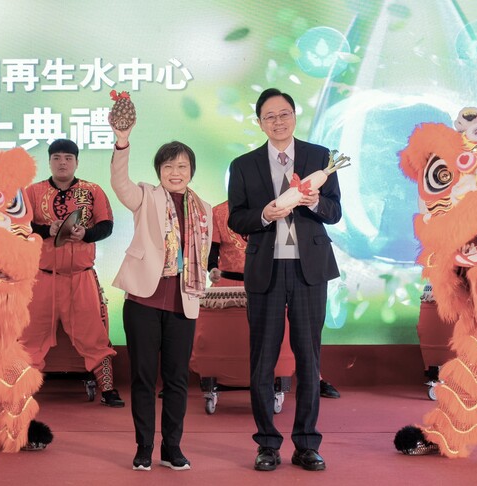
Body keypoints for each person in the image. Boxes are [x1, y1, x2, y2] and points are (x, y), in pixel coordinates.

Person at [227, 88, 342, 472]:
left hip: (310, 270)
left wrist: (315, 202)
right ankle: (267, 444)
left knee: (309, 359)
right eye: (270, 116)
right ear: (260, 123)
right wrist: (264, 215)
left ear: (294, 116)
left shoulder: (319, 157)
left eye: (284, 114)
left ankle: (307, 444)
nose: (278, 121)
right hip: (267, 269)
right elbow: (236, 218)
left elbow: (335, 212)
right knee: (263, 360)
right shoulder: (243, 165)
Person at [109, 118, 212, 471]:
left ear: (191, 171)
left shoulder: (203, 209)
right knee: (142, 376)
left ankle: (172, 448)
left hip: (184, 301)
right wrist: (122, 142)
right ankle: (143, 447)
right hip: (143, 300)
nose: (175, 172)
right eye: (168, 166)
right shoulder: (145, 196)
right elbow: (119, 183)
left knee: (177, 379)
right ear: (159, 171)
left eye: (182, 166)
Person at [19, 139, 124, 408]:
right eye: (56, 157)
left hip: (81, 276)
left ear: (77, 162)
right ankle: (20, 390)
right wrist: (47, 230)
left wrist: (86, 234)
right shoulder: (32, 192)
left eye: (68, 157)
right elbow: (19, 225)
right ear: (49, 162)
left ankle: (107, 388)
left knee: (94, 335)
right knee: (30, 336)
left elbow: (107, 226)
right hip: (43, 277)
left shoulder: (92, 191)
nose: (62, 162)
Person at [209, 200, 342, 399]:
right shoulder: (219, 212)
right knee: (241, 339)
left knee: (296, 334)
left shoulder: (280, 203)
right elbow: (212, 247)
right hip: (230, 282)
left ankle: (315, 379)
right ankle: (232, 379)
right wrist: (211, 267)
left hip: (274, 278)